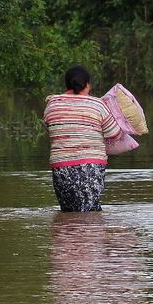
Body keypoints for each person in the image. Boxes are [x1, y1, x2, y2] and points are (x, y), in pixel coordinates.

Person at [43, 65, 123, 211]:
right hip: (91, 167)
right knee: (91, 214)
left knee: (68, 214)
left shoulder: (52, 104)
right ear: (87, 84)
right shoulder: (97, 104)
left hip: (61, 169)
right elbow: (115, 133)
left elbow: (51, 131)